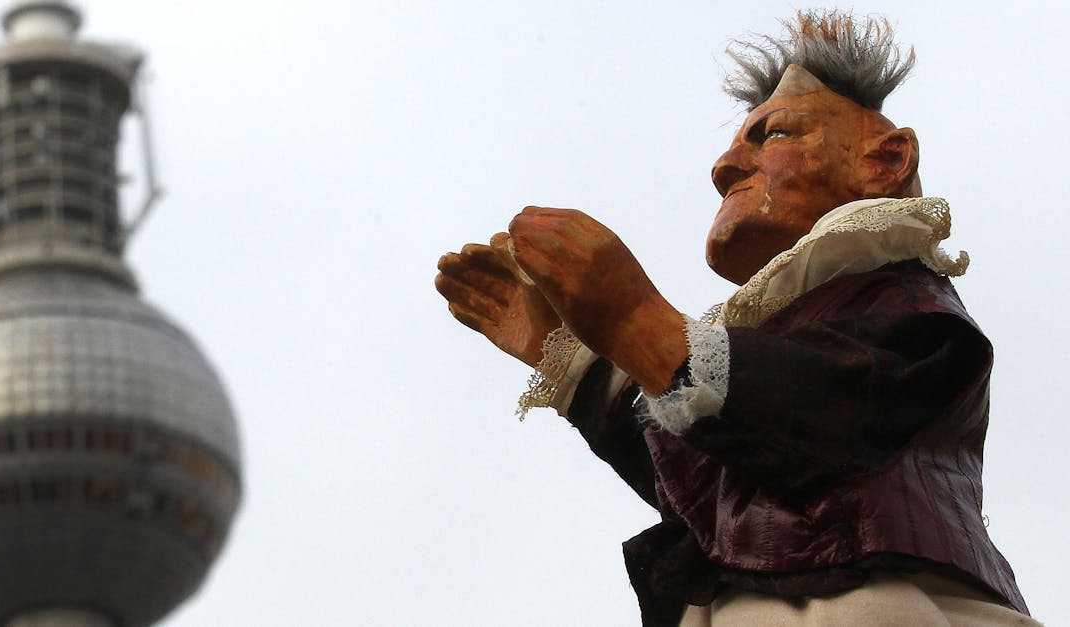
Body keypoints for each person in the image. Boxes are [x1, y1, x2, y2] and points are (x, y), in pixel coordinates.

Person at [433, 12, 1035, 626]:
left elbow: (825, 417)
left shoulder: (905, 299)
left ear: (886, 160)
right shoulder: (768, 333)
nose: (724, 167)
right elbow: (708, 478)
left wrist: (638, 324)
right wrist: (574, 358)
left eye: (771, 135)